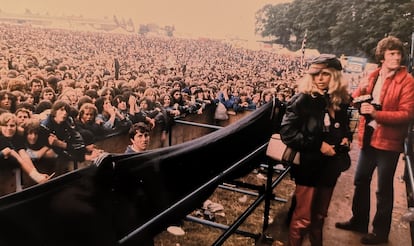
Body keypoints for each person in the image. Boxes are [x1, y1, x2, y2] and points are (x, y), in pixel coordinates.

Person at [335, 36, 414, 244]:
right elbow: (355, 98)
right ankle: (359, 221)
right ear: (382, 57)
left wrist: (377, 114)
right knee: (360, 179)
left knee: (383, 189)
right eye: (391, 54)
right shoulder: (373, 75)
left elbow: (407, 114)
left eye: (398, 54)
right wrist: (358, 94)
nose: (396, 57)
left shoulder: (408, 81)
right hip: (369, 137)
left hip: (389, 142)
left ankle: (380, 233)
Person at [279, 54, 352, 246]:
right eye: (316, 74)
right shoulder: (302, 99)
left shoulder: (341, 101)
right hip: (309, 167)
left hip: (331, 167)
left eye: (325, 74)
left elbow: (344, 127)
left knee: (320, 217)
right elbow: (287, 132)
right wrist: (318, 145)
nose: (319, 78)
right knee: (304, 218)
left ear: (335, 76)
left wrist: (347, 138)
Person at [0, 112, 52, 184]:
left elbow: (24, 157)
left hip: (15, 179)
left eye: (12, 125)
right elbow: (19, 159)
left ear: (16, 126)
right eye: (5, 125)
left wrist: (37, 174)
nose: (9, 128)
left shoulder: (17, 138)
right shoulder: (1, 139)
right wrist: (36, 176)